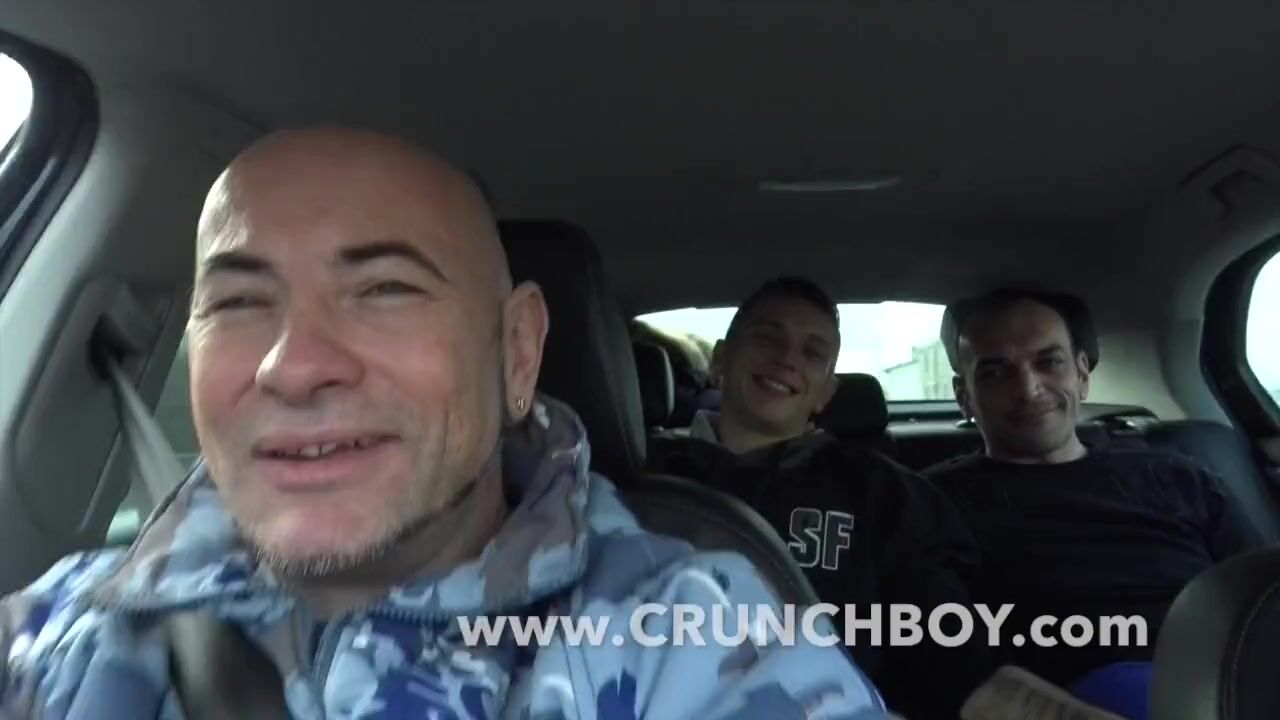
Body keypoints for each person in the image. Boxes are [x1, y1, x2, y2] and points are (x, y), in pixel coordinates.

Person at [0, 128, 887, 719]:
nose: (291, 365)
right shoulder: (70, 628)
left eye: (384, 289)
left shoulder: (692, 641)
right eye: (237, 300)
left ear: (517, 354)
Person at [647, 276, 986, 720]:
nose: (787, 359)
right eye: (768, 338)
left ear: (826, 392)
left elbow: (942, 634)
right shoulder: (640, 473)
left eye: (812, 353)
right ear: (721, 359)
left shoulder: (881, 490)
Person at [926, 288, 1264, 708]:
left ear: (1082, 375)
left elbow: (1261, 590)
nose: (1029, 389)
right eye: (995, 373)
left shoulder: (1178, 476)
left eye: (1049, 362)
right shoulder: (929, 502)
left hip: (1231, 679)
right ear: (964, 397)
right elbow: (935, 649)